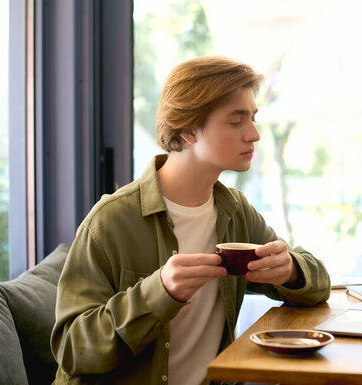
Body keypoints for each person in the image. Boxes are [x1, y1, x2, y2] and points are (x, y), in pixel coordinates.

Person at [51, 55, 331, 384]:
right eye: (236, 120)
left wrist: (291, 272)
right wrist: (159, 291)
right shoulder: (111, 221)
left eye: (252, 118)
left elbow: (319, 284)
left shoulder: (235, 211)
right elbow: (72, 350)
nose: (254, 134)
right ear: (188, 130)